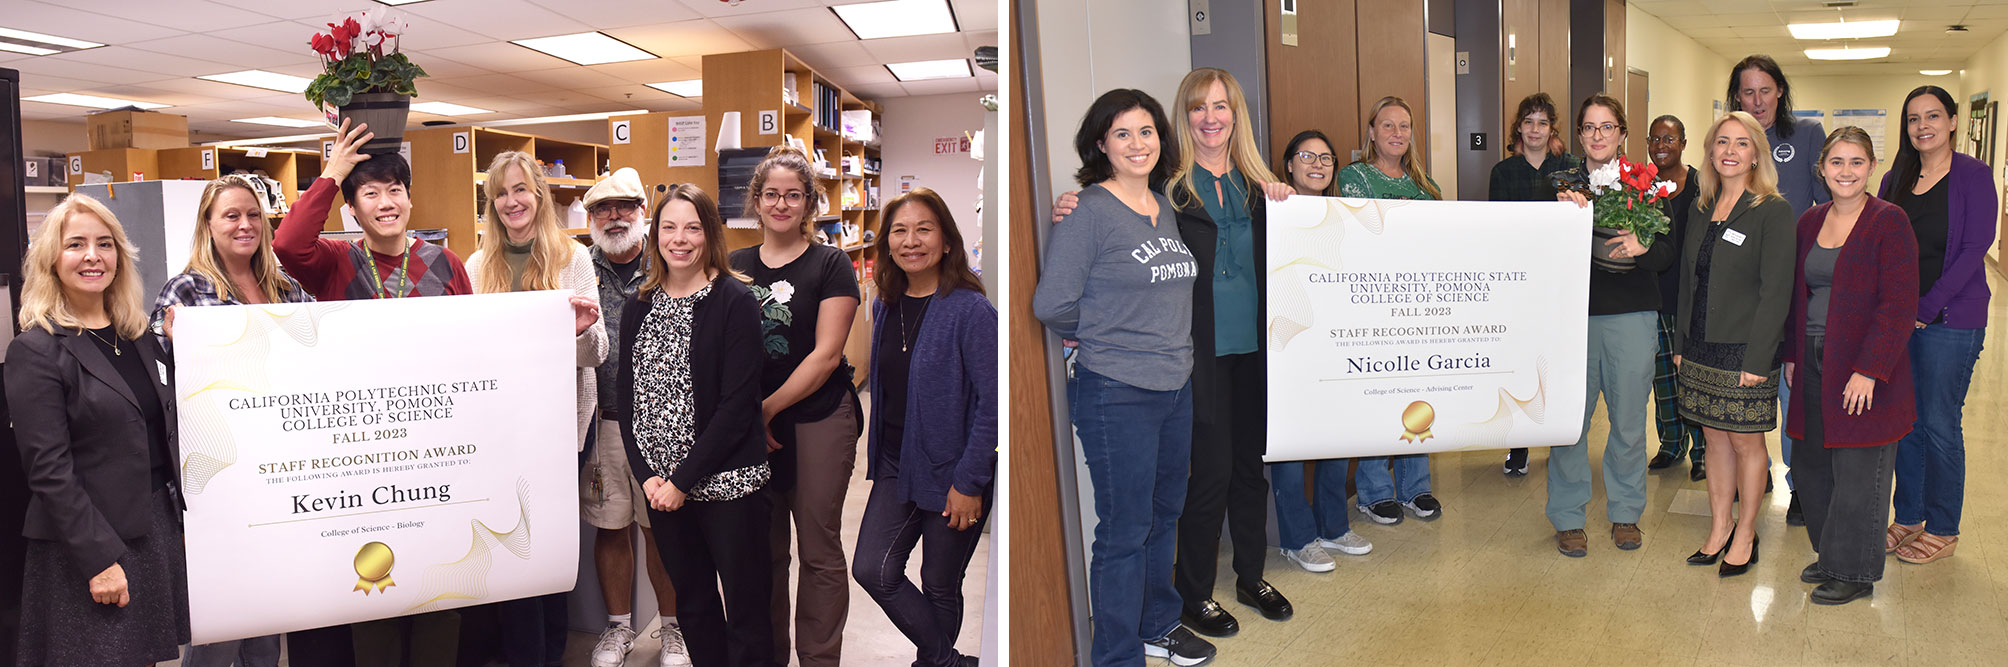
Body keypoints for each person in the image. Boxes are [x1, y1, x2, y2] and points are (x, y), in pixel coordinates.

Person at [1032, 88, 1213, 667]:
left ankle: (1158, 624)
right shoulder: (1088, 211)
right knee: (1124, 529)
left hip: (1175, 385)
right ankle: (1115, 654)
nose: (1138, 144)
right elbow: (1052, 303)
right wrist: (1105, 332)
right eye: (1123, 134)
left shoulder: (1164, 205)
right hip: (1116, 392)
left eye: (1147, 132)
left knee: (1164, 515)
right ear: (1101, 145)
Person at [9, 193, 189, 666]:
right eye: (76, 245)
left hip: (151, 529)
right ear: (52, 259)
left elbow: (157, 424)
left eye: (105, 244)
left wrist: (187, 347)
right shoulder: (38, 349)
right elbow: (49, 470)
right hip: (88, 545)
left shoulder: (138, 337)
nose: (93, 256)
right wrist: (99, 560)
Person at [1153, 67, 1296, 639]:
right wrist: (1073, 202)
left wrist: (1290, 201)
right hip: (1200, 353)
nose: (1210, 118)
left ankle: (1250, 576)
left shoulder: (1262, 186)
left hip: (1258, 350)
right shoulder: (1166, 187)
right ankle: (1193, 594)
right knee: (1208, 476)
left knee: (1249, 471)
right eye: (1197, 108)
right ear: (1183, 118)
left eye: (1221, 107)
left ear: (1237, 115)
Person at [152, 176, 313, 667]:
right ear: (208, 225)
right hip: (222, 468)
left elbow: (317, 349)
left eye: (252, 215)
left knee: (268, 617)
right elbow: (161, 364)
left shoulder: (284, 286)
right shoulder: (187, 289)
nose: (245, 225)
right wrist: (177, 343)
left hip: (281, 461)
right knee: (222, 623)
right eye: (231, 215)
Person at [617, 184, 775, 667]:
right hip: (663, 492)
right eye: (668, 227)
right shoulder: (638, 303)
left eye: (692, 227)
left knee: (746, 608)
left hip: (727, 484)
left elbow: (737, 406)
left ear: (709, 234)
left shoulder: (734, 300)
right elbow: (627, 400)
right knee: (694, 604)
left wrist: (683, 481)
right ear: (655, 233)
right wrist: (649, 478)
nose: (679, 239)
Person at [465, 151, 609, 667]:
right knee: (509, 540)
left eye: (520, 190)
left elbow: (598, 354)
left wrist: (578, 332)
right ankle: (525, 650)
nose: (511, 202)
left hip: (559, 429)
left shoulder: (573, 258)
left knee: (544, 542)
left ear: (540, 195)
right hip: (499, 431)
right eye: (501, 193)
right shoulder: (477, 266)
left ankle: (545, 649)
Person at [728, 146, 862, 667]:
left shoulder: (831, 265)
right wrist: (745, 416)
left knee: (818, 550)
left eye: (793, 195)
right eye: (771, 195)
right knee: (763, 555)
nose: (781, 204)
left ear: (809, 202)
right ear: (756, 202)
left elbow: (826, 356)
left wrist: (764, 410)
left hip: (817, 419)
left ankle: (819, 658)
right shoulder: (735, 266)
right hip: (749, 427)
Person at [852, 187, 996, 667]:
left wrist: (969, 482)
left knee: (940, 582)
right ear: (887, 243)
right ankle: (946, 660)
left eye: (924, 229)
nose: (911, 241)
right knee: (873, 568)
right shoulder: (885, 305)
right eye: (899, 231)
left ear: (947, 241)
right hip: (898, 462)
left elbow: (993, 405)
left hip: (955, 471)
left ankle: (933, 662)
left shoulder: (971, 311)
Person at [1782, 126, 1918, 605]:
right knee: (1813, 463)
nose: (1846, 171)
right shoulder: (1808, 222)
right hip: (1814, 358)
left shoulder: (1890, 221)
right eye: (1836, 162)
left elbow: (1899, 304)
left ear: (1872, 168)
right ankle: (1832, 552)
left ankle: (1855, 570)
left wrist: (1870, 369)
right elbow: (1796, 298)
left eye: (1856, 162)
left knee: (1861, 469)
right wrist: (1794, 356)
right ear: (1821, 168)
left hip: (1863, 366)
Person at [1546, 94, 1672, 557]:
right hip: (1572, 320)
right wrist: (1562, 217)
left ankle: (1625, 513)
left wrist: (1643, 247)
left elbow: (1666, 255)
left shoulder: (1647, 183)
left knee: (1627, 423)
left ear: (1621, 133)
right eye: (1589, 128)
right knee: (1569, 425)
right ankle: (1567, 516)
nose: (1598, 136)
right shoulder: (1558, 184)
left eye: (1607, 127)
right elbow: (1537, 254)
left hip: (1631, 317)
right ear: (1579, 134)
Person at [1879, 85, 1998, 565]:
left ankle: (1944, 525)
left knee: (1940, 423)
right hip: (1899, 319)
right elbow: (1880, 241)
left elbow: (1975, 249)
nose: (1922, 126)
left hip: (1950, 319)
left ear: (1952, 121)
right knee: (1906, 423)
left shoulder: (1973, 175)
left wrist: (1927, 307)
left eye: (1932, 116)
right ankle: (1907, 515)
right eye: (1913, 118)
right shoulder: (1896, 177)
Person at [1676, 111, 1796, 577]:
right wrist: (1683, 342)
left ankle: (1747, 531)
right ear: (1709, 151)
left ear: (1756, 155)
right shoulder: (1701, 206)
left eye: (1741, 143)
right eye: (1721, 141)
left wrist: (1759, 357)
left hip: (1745, 348)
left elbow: (1775, 290)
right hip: (1701, 347)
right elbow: (1690, 280)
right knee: (1712, 439)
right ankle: (1719, 526)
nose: (1729, 150)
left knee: (1747, 443)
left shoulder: (1772, 210)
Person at [578, 168, 689, 667]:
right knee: (611, 525)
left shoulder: (669, 260)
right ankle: (618, 629)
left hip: (660, 424)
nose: (615, 216)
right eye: (603, 208)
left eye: (625, 206)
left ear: (644, 212)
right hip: (602, 420)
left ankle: (672, 630)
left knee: (659, 528)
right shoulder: (579, 266)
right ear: (590, 218)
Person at [1726, 54, 1829, 523]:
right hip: (1740, 292)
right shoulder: (1731, 141)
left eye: (1765, 90)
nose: (1757, 100)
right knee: (1741, 383)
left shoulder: (1806, 136)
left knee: (1791, 389)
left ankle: (1800, 484)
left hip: (1792, 288)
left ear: (1780, 92)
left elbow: (1828, 211)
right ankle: (1755, 470)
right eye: (1747, 92)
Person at [1267, 129, 1373, 574]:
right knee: (1291, 447)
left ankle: (1333, 526)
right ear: (1289, 164)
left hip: (1336, 343)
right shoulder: (1273, 210)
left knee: (1336, 437)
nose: (1317, 164)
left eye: (1326, 158)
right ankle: (1296, 539)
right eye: (1306, 156)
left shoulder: (1345, 215)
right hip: (1288, 347)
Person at [1336, 96, 1445, 526]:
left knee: (1418, 395)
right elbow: (1367, 236)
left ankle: (1416, 487)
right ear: (1371, 132)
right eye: (1387, 126)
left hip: (1421, 307)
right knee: (1379, 395)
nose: (1397, 134)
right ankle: (1374, 490)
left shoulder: (1428, 187)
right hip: (1373, 306)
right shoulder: (1353, 177)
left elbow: (1437, 245)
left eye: (1404, 127)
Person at [1489, 92, 1581, 476]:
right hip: (1518, 282)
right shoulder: (1503, 171)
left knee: (1558, 361)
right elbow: (1497, 228)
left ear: (1552, 129)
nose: (1535, 130)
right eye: (1528, 122)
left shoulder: (1570, 168)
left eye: (1542, 123)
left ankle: (1560, 438)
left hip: (1561, 278)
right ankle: (1519, 444)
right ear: (1518, 128)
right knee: (1520, 362)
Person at [1643, 115, 1709, 481]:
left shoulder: (1702, 185)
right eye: (1655, 139)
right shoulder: (1640, 186)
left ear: (1684, 142)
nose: (1661, 145)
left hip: (1692, 297)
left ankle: (1701, 451)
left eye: (1669, 138)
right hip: (1654, 294)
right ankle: (1671, 444)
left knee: (1692, 376)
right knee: (1662, 377)